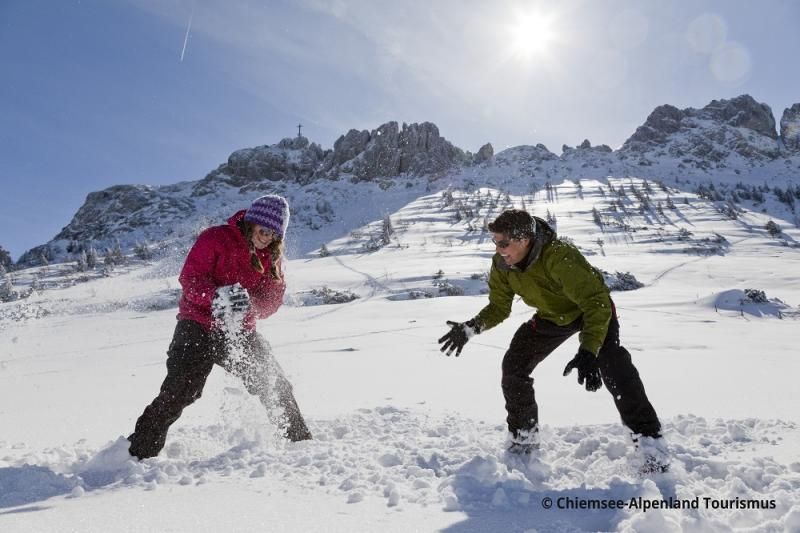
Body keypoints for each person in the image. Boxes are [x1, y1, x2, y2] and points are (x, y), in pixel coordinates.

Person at [437, 209, 666, 471]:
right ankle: (523, 438)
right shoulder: (502, 264)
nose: (498, 249)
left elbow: (595, 302)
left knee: (613, 363)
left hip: (592, 310)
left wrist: (589, 350)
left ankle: (650, 443)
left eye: (503, 243)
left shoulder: (559, 256)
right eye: (495, 242)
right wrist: (471, 327)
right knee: (514, 365)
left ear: (524, 240)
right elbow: (499, 307)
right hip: (553, 316)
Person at [128, 195, 312, 460]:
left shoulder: (272, 259)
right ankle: (135, 454)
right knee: (180, 391)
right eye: (263, 231)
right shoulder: (215, 238)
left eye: (274, 235)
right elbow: (190, 279)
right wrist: (217, 296)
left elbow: (270, 302)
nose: (267, 238)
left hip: (239, 332)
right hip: (197, 325)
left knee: (274, 383)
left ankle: (301, 447)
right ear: (251, 223)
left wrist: (249, 304)